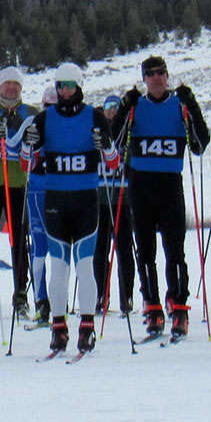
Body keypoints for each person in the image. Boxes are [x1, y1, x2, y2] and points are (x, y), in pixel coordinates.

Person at [14, 62, 107, 356]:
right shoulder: (44, 119)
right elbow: (27, 166)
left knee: (84, 264)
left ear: (79, 86)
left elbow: (113, 162)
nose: (64, 91)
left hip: (85, 200)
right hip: (56, 200)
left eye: (69, 85)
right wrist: (29, 147)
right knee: (59, 268)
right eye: (59, 85)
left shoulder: (95, 115)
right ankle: (58, 328)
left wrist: (105, 146)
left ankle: (87, 327)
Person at [116, 56, 210, 342]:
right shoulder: (136, 107)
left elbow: (200, 144)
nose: (156, 78)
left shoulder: (179, 106)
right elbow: (117, 144)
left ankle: (178, 305)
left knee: (175, 251)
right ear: (144, 79)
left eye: (160, 73)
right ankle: (152, 304)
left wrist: (191, 105)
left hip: (170, 185)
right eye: (150, 74)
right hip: (140, 186)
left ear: (167, 76)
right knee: (144, 252)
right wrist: (123, 108)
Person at [0, 67, 35, 320]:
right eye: (7, 84)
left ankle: (20, 292)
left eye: (16, 84)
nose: (11, 88)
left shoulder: (31, 113)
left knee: (19, 241)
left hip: (19, 182)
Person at [94, 93, 135, 319]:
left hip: (122, 198)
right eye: (108, 106)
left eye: (116, 107)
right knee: (98, 250)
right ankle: (101, 294)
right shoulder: (97, 130)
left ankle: (126, 295)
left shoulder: (126, 132)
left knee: (125, 249)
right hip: (99, 197)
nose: (112, 111)